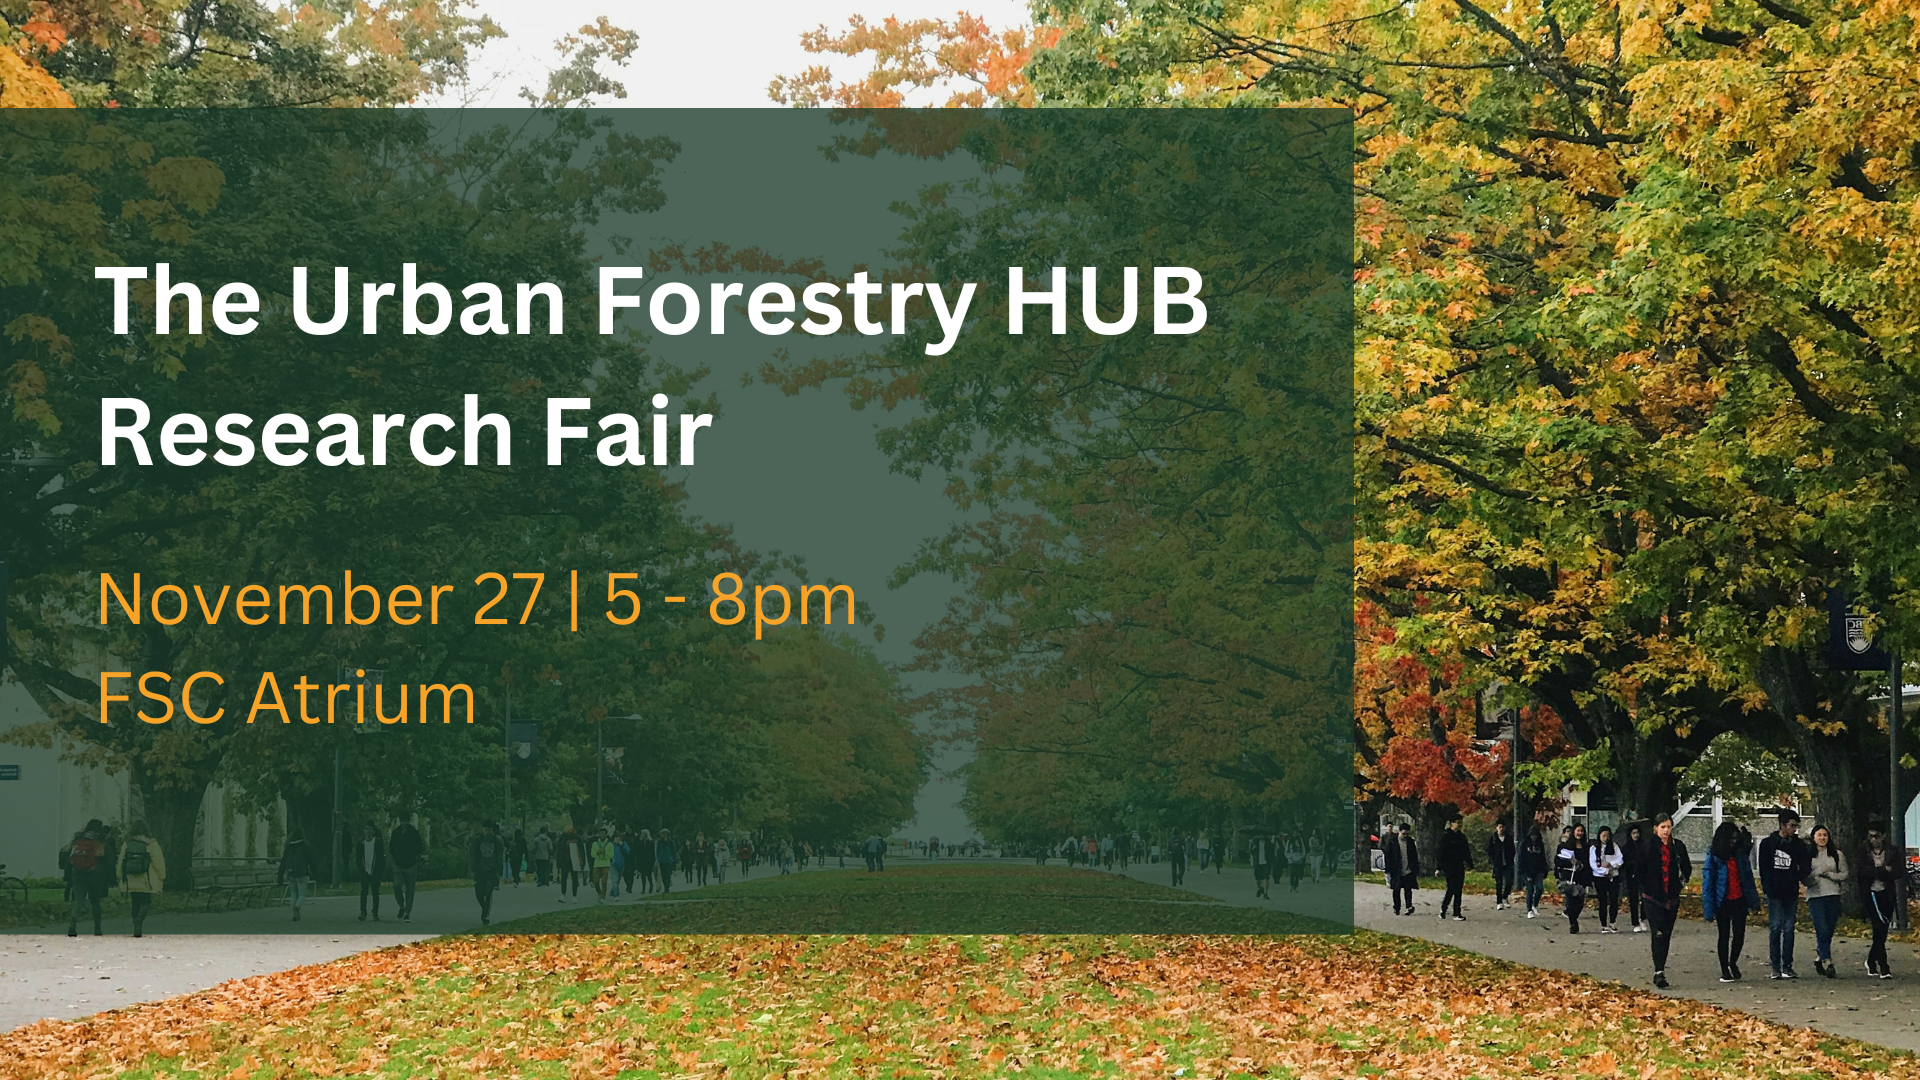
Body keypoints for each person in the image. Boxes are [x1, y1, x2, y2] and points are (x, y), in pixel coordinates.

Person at [1640, 813, 1692, 989]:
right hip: (1652, 897)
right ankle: (1658, 971)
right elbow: (1639, 869)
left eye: (1668, 827)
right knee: (1658, 932)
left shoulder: (1678, 847)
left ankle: (1661, 966)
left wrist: (1679, 884)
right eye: (1662, 827)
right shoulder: (1647, 846)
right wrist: (1646, 886)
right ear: (1656, 829)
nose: (1666, 831)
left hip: (1671, 896)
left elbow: (1686, 867)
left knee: (1667, 933)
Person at [1757, 808, 1810, 979]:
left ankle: (1787, 964)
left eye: (1796, 826)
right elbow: (1764, 868)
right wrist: (1767, 887)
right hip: (1774, 891)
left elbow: (1805, 866)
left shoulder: (1798, 845)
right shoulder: (1768, 844)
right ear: (1782, 825)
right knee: (1775, 926)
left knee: (1788, 928)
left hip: (1790, 890)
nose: (1794, 829)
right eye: (1791, 826)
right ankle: (1775, 965)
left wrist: (1796, 876)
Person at [1701, 821, 1756, 982]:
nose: (1733, 842)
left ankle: (1733, 962)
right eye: (1730, 839)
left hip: (1739, 899)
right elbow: (1708, 882)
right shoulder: (1714, 855)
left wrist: (1753, 901)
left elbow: (1747, 878)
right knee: (1723, 935)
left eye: (1735, 839)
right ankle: (1724, 968)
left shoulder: (1739, 855)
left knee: (1739, 934)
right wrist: (1709, 909)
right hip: (1722, 900)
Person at [1803, 823, 1848, 979]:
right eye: (1819, 835)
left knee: (1829, 929)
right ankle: (1828, 962)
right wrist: (1817, 873)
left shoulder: (1837, 854)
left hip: (1833, 894)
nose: (1822, 838)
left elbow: (1844, 874)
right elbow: (1805, 878)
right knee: (1821, 928)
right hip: (1815, 896)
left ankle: (1819, 957)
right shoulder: (1808, 855)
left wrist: (1830, 875)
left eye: (1825, 835)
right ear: (1813, 838)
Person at [1856, 820, 1899, 978]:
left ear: (1883, 836)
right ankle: (1884, 966)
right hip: (1870, 893)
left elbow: (1897, 872)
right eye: (1870, 836)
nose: (1873, 840)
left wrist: (1878, 871)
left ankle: (1871, 959)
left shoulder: (1892, 851)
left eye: (1877, 836)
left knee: (1883, 931)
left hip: (1886, 893)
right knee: (1877, 926)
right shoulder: (1862, 850)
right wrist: (1882, 870)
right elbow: (1861, 871)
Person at [117, 821, 166, 938]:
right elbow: (158, 862)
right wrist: (162, 876)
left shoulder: (127, 844)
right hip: (147, 879)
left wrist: (119, 875)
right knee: (146, 902)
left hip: (131, 879)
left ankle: (136, 924)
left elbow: (121, 861)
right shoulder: (152, 844)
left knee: (135, 902)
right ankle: (139, 920)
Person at [64, 819, 111, 937]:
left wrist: (68, 874)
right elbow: (106, 859)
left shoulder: (78, 839)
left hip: (78, 874)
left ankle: (72, 925)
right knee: (95, 902)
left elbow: (67, 854)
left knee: (78, 901)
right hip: (94, 874)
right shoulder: (101, 840)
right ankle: (97, 927)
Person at [1553, 825, 1589, 933]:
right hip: (1568, 877)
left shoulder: (1587, 847)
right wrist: (1569, 862)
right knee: (1570, 901)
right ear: (1574, 832)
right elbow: (1557, 861)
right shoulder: (1565, 846)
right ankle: (1573, 923)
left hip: (1581, 877)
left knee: (1579, 902)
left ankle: (1574, 916)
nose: (1580, 833)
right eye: (1578, 831)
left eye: (1582, 831)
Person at [1589, 826, 1624, 932]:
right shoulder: (1594, 848)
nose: (1606, 838)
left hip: (1613, 876)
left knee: (1614, 900)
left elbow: (1620, 859)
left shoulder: (1614, 846)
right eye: (1604, 836)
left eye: (1608, 836)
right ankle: (1603, 924)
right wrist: (1604, 871)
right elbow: (1593, 864)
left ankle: (1612, 922)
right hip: (1600, 877)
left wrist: (1611, 865)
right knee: (1602, 900)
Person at [389, 819, 425, 923]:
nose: (404, 823)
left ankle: (407, 912)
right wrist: (395, 857)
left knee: (410, 890)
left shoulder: (414, 833)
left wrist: (414, 857)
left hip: (411, 864)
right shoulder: (396, 832)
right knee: (396, 885)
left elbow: (419, 846)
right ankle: (401, 905)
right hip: (398, 864)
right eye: (402, 820)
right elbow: (392, 846)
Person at [469, 821, 503, 925]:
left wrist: (498, 871)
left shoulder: (496, 841)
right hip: (480, 871)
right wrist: (474, 869)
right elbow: (473, 855)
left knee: (488, 893)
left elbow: (499, 856)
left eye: (489, 830)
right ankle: (485, 908)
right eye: (485, 830)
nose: (487, 832)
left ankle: (485, 915)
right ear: (482, 829)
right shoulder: (477, 840)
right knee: (479, 894)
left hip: (492, 871)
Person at [1438, 818, 1471, 921]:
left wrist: (1470, 864)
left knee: (1458, 890)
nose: (1460, 824)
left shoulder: (1461, 837)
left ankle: (1457, 912)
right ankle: (1444, 908)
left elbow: (1466, 851)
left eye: (1460, 822)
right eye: (1457, 822)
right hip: (1449, 866)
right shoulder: (1446, 836)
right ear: (1452, 823)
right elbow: (1441, 852)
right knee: (1451, 888)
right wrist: (1439, 867)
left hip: (1459, 866)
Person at [1383, 822, 1419, 916]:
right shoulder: (1392, 842)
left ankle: (1408, 906)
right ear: (1399, 831)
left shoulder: (1410, 841)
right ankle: (1397, 907)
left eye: (1407, 834)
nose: (1405, 836)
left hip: (1408, 869)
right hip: (1396, 869)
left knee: (1408, 889)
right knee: (1396, 889)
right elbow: (1388, 856)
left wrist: (1415, 868)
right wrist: (1388, 869)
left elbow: (1414, 855)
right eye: (1403, 833)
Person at [279, 829, 313, 921]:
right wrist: (315, 874)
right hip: (302, 874)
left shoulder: (288, 848)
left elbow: (283, 862)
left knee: (293, 893)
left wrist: (280, 877)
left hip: (291, 874)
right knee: (302, 894)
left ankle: (295, 913)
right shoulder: (305, 847)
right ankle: (297, 906)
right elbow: (311, 861)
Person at [356, 822, 386, 922]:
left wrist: (380, 870)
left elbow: (381, 857)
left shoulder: (377, 842)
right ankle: (363, 912)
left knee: (375, 892)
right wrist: (361, 869)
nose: (368, 831)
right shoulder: (361, 843)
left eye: (370, 829)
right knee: (364, 891)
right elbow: (358, 858)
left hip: (375, 870)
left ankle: (375, 912)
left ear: (373, 831)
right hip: (364, 870)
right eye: (366, 829)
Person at [1621, 822, 1646, 932]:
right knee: (1633, 900)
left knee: (1645, 898)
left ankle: (1643, 919)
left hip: (1644, 875)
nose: (1636, 835)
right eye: (1633, 833)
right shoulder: (1626, 847)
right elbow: (1624, 863)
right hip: (1631, 876)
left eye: (1637, 833)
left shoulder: (1644, 845)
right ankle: (1635, 922)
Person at [1519, 824, 1548, 918]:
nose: (1534, 838)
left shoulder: (1540, 844)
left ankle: (1534, 904)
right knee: (1530, 889)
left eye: (1535, 836)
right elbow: (1521, 858)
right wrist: (1523, 872)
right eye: (1532, 836)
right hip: (1527, 871)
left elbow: (1543, 858)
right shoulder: (1524, 844)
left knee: (1539, 888)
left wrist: (1544, 870)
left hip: (1538, 870)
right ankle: (1529, 910)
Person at [1486, 821, 1514, 910]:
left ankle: (1505, 896)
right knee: (1499, 883)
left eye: (1502, 827)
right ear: (1496, 828)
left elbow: (1512, 849)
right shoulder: (1493, 838)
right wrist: (1493, 860)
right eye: (1499, 827)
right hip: (1498, 864)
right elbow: (1489, 850)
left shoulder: (1508, 838)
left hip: (1507, 863)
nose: (1501, 829)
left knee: (1509, 881)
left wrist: (1510, 858)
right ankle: (1499, 902)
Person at [557, 825, 585, 902]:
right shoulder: (562, 838)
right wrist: (558, 861)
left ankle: (574, 895)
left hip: (575, 859)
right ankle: (563, 894)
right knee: (564, 877)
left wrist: (582, 862)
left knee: (574, 877)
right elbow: (559, 850)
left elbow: (582, 850)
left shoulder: (577, 838)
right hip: (565, 859)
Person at [590, 830, 614, 901]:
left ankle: (603, 896)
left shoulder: (609, 844)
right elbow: (592, 854)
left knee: (604, 881)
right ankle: (599, 892)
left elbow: (611, 855)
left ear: (606, 835)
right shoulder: (595, 844)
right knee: (596, 881)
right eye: (601, 834)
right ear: (599, 834)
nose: (602, 835)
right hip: (597, 865)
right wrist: (597, 852)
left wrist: (605, 852)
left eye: (604, 834)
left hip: (605, 864)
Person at [1251, 834, 1274, 898]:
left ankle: (1265, 893)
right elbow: (1251, 852)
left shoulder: (1269, 843)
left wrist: (1272, 862)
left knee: (1266, 878)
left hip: (1266, 863)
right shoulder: (1255, 842)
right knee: (1258, 879)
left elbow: (1272, 853)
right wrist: (1253, 848)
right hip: (1258, 863)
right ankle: (1260, 888)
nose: (1261, 836)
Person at [656, 828, 678, 893]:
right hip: (662, 860)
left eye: (663, 833)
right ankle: (665, 885)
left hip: (669, 860)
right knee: (663, 875)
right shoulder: (659, 842)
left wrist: (674, 860)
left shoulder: (671, 842)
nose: (662, 835)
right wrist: (658, 858)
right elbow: (658, 850)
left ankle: (666, 887)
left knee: (668, 874)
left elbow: (674, 851)